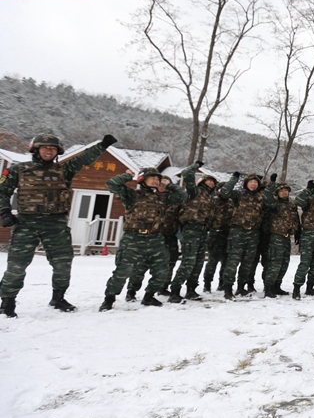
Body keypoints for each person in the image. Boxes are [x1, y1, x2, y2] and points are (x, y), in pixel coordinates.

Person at [1, 133, 116, 318]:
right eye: (45, 147)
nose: (49, 151)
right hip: (26, 223)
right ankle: (7, 302)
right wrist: (5, 212)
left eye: (53, 148)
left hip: (56, 224)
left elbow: (83, 159)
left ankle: (58, 298)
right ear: (35, 149)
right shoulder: (18, 169)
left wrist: (102, 146)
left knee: (63, 264)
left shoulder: (64, 170)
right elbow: (2, 192)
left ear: (57, 152)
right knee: (17, 265)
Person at [99, 167, 188, 311]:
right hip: (134, 238)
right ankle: (109, 299)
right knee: (124, 270)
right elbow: (112, 184)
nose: (156, 181)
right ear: (142, 180)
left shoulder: (162, 198)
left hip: (155, 238)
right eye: (152, 178)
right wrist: (126, 177)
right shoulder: (132, 195)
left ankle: (149, 296)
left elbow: (183, 196)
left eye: (158, 179)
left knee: (162, 270)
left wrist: (169, 185)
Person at [126, 175, 181, 302]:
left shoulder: (174, 200)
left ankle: (162, 287)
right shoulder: (152, 198)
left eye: (165, 185)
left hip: (170, 236)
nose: (163, 187)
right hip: (154, 236)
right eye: (161, 184)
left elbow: (182, 199)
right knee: (142, 265)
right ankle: (131, 291)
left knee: (169, 264)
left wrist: (171, 186)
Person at [170, 163, 215, 302]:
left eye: (213, 182)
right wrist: (196, 165)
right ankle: (175, 291)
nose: (211, 183)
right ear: (202, 181)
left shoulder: (209, 197)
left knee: (198, 263)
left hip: (203, 231)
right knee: (188, 262)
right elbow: (187, 175)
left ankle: (191, 289)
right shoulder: (194, 191)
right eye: (209, 181)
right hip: (191, 230)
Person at [220, 173, 266, 300]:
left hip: (253, 233)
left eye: (256, 182)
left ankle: (241, 287)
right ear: (246, 184)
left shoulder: (260, 198)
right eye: (251, 182)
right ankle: (228, 288)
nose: (253, 184)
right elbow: (224, 192)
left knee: (247, 263)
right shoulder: (238, 195)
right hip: (238, 232)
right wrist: (234, 179)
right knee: (233, 261)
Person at [262, 180, 300, 297]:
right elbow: (266, 196)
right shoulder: (274, 204)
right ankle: (268, 288)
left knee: (284, 264)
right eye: (281, 191)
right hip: (276, 237)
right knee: (274, 264)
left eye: (286, 191)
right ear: (277, 193)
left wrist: (298, 231)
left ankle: (277, 286)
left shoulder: (292, 205)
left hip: (287, 238)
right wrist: (272, 184)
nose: (284, 193)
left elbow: (295, 219)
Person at [203, 183, 234, 293]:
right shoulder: (213, 201)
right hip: (215, 234)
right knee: (212, 261)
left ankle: (222, 283)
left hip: (228, 235)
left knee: (226, 262)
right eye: (221, 189)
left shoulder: (231, 202)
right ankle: (207, 284)